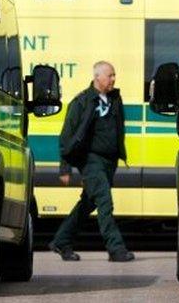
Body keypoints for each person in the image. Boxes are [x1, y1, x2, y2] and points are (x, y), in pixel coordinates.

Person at [48, 61, 135, 262]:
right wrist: (65, 168)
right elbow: (66, 136)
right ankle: (116, 249)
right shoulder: (82, 102)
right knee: (105, 202)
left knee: (88, 203)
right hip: (91, 160)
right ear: (97, 77)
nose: (113, 79)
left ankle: (62, 240)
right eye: (110, 75)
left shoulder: (114, 98)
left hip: (109, 161)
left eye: (114, 75)